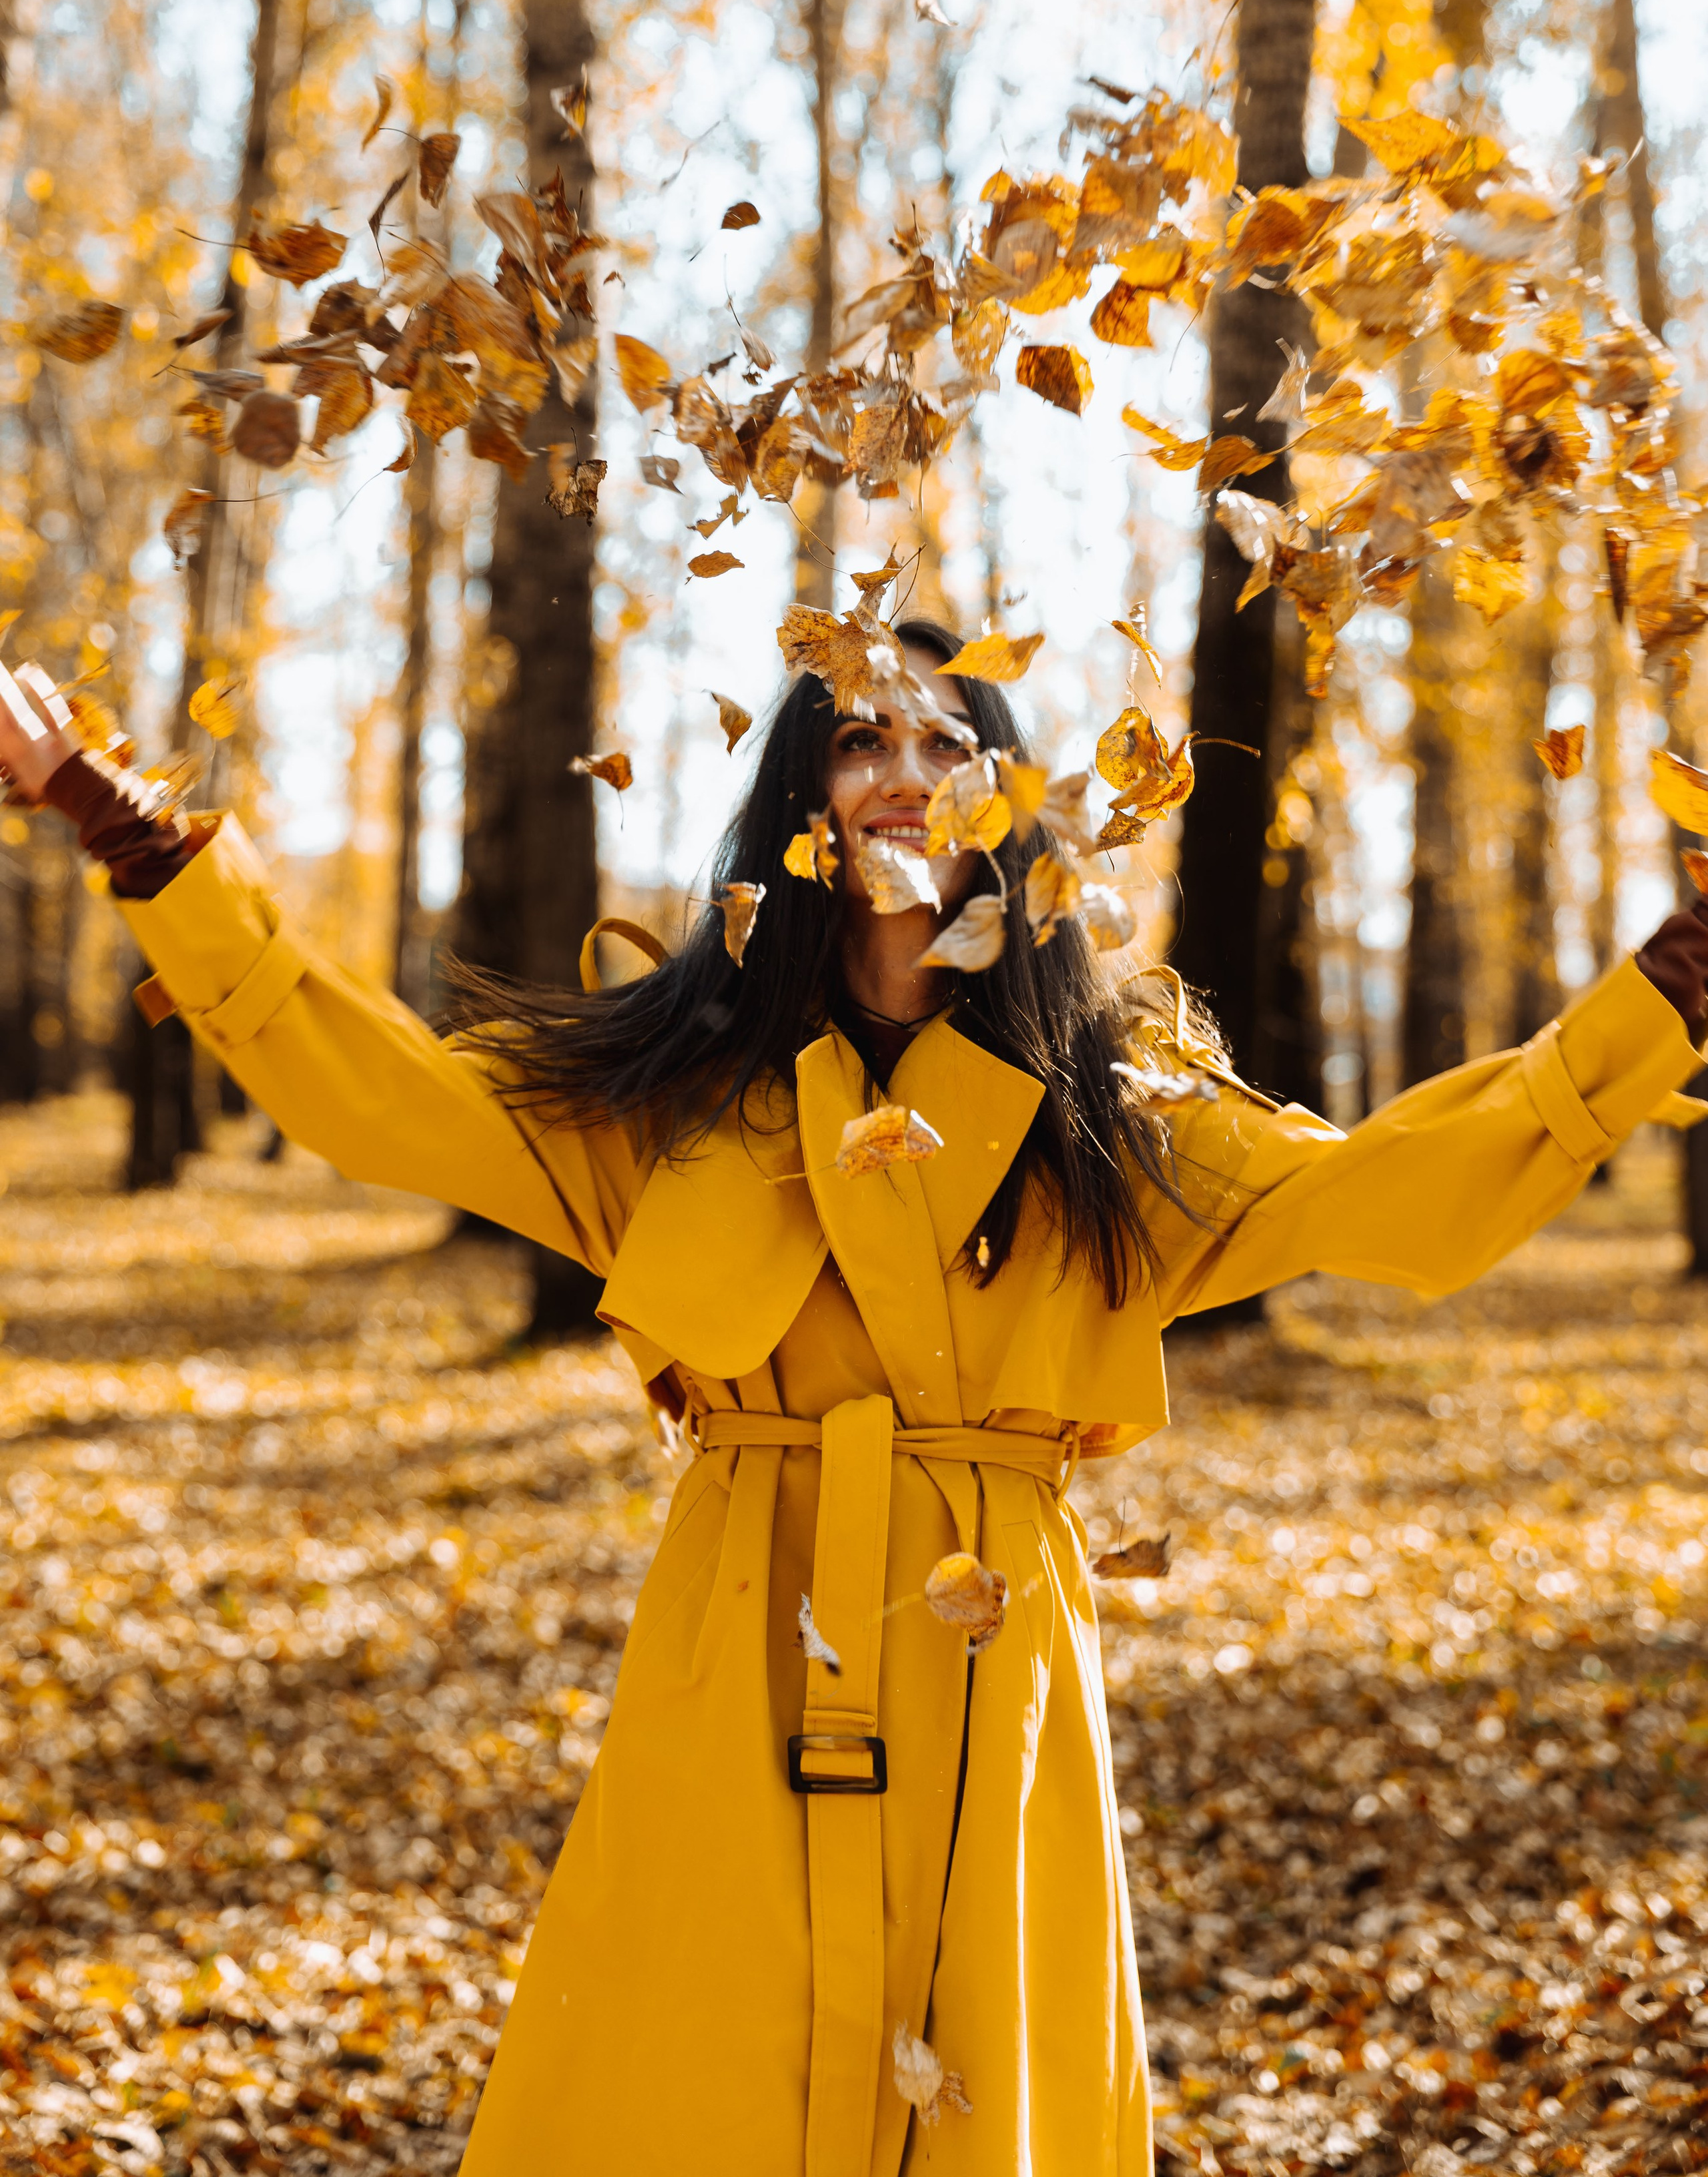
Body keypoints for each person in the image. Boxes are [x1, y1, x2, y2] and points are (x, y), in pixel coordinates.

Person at [3, 625, 1707, 2177]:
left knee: (977, 2089)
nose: (902, 774)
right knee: (693, 2077)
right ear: (800, 795)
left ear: (1000, 799)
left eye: (946, 742)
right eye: (857, 742)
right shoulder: (678, 1091)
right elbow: (375, 1091)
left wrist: (1666, 991)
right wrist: (140, 838)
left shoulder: (1113, 1111)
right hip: (737, 1633)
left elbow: (1393, 1193)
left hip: (994, 1654)